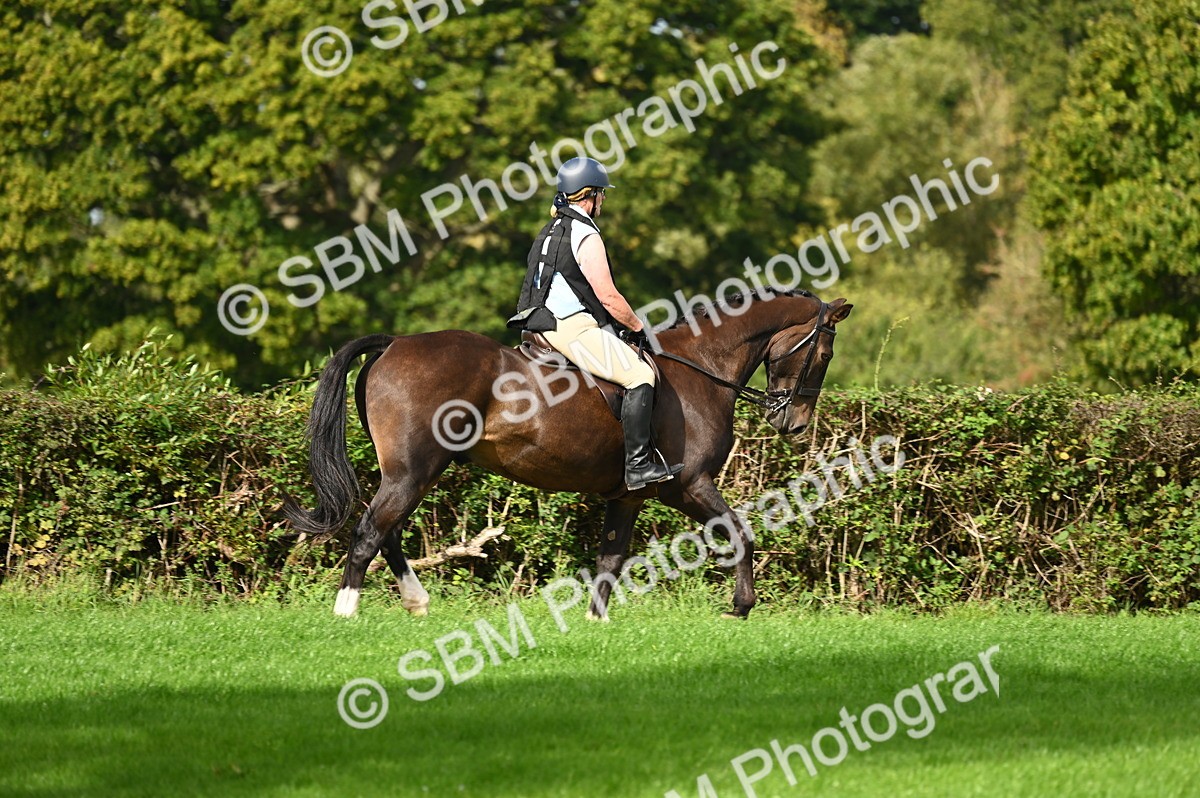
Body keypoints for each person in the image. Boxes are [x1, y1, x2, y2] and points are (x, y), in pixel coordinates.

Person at [508, 156, 682, 491]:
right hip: (568, 327)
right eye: (602, 193)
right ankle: (637, 466)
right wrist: (638, 327)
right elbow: (609, 298)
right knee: (640, 374)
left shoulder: (550, 229)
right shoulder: (585, 233)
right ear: (590, 195)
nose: (603, 199)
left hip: (536, 321)